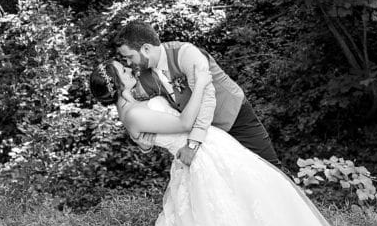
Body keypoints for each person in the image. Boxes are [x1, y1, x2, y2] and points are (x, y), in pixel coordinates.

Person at [11, 60, 340, 226]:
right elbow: (183, 124)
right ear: (116, 83)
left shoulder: (136, 101)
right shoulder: (134, 114)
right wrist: (200, 83)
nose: (130, 69)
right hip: (202, 158)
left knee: (254, 199)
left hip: (209, 149)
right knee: (229, 213)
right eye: (123, 70)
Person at [112, 21, 282, 169]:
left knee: (271, 168)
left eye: (129, 57)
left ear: (146, 49)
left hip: (233, 116)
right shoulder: (145, 76)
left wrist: (192, 145)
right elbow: (135, 112)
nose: (128, 62)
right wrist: (142, 143)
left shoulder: (186, 53)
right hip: (210, 137)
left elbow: (207, 99)